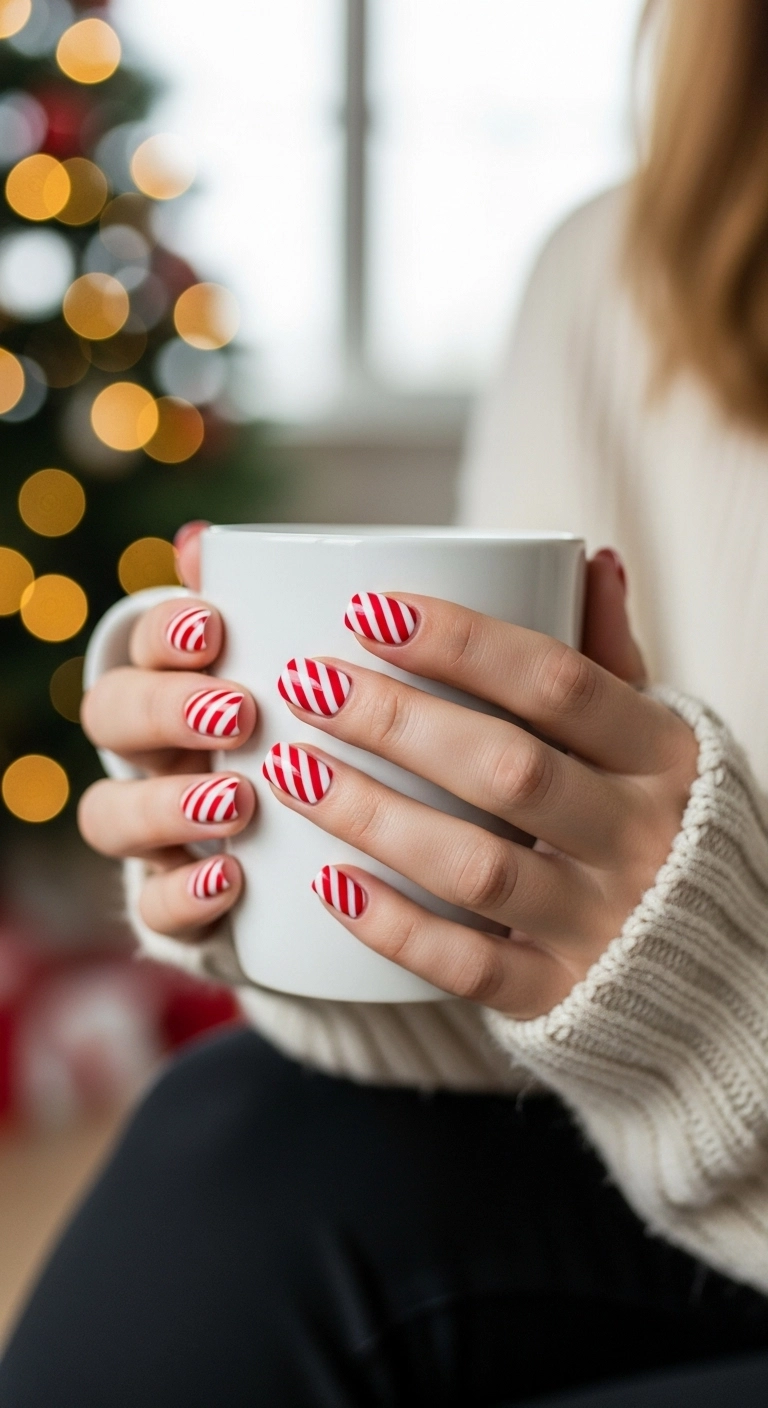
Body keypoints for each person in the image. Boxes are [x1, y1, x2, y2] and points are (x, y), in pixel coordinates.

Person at [3, 0, 768, 1403]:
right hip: (690, 1162)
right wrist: (269, 848)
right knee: (225, 1142)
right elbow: (511, 983)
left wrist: (732, 997)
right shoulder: (620, 271)